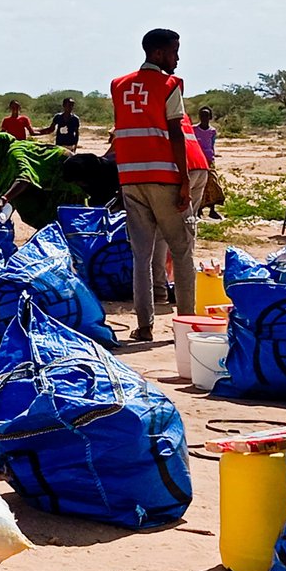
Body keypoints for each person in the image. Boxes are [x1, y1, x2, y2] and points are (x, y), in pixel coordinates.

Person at [110, 27, 198, 342]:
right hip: (165, 177)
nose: (177, 58)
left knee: (141, 255)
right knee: (182, 251)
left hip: (131, 179)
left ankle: (144, 325)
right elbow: (176, 132)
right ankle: (187, 326)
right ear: (159, 53)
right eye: (174, 51)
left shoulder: (119, 86)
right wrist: (184, 179)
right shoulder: (170, 85)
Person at [0, 133, 83, 229]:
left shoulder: (15, 153)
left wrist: (3, 200)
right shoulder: (12, 153)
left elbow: (24, 178)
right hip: (56, 178)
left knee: (63, 217)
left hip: (67, 177)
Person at [194, 106, 223, 219]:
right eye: (202, 115)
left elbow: (212, 144)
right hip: (197, 159)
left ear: (210, 117)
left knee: (212, 183)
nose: (204, 118)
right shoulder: (194, 129)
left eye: (206, 116)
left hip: (209, 160)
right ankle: (198, 210)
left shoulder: (212, 131)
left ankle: (212, 209)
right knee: (199, 184)